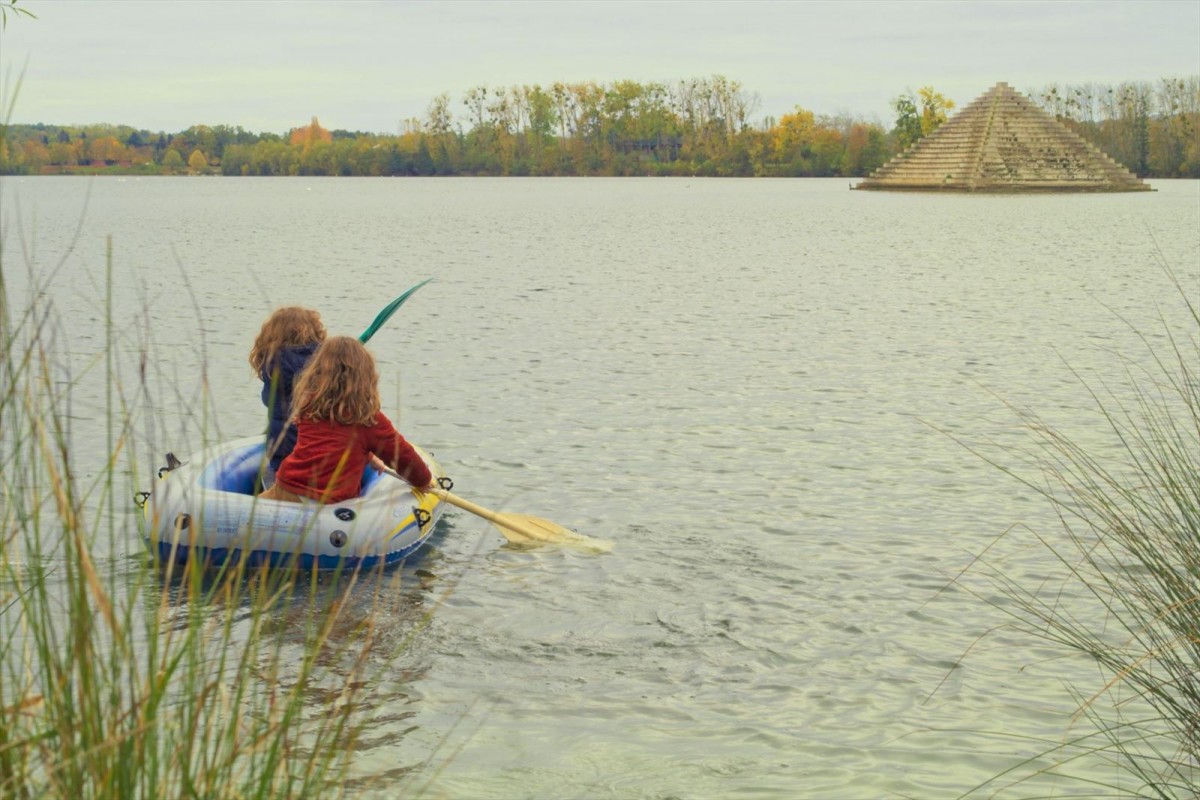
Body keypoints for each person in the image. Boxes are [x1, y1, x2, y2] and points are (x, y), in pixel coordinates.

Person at [259, 336, 433, 504]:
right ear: (366, 377)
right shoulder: (368, 419)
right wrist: (424, 480)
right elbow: (402, 456)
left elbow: (331, 441)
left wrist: (369, 456)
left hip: (287, 487)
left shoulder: (309, 407)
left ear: (317, 371)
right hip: (326, 501)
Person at [248, 306, 326, 489]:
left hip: (282, 456)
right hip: (318, 458)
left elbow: (267, 399)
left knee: (272, 469)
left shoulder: (270, 364)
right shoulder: (324, 364)